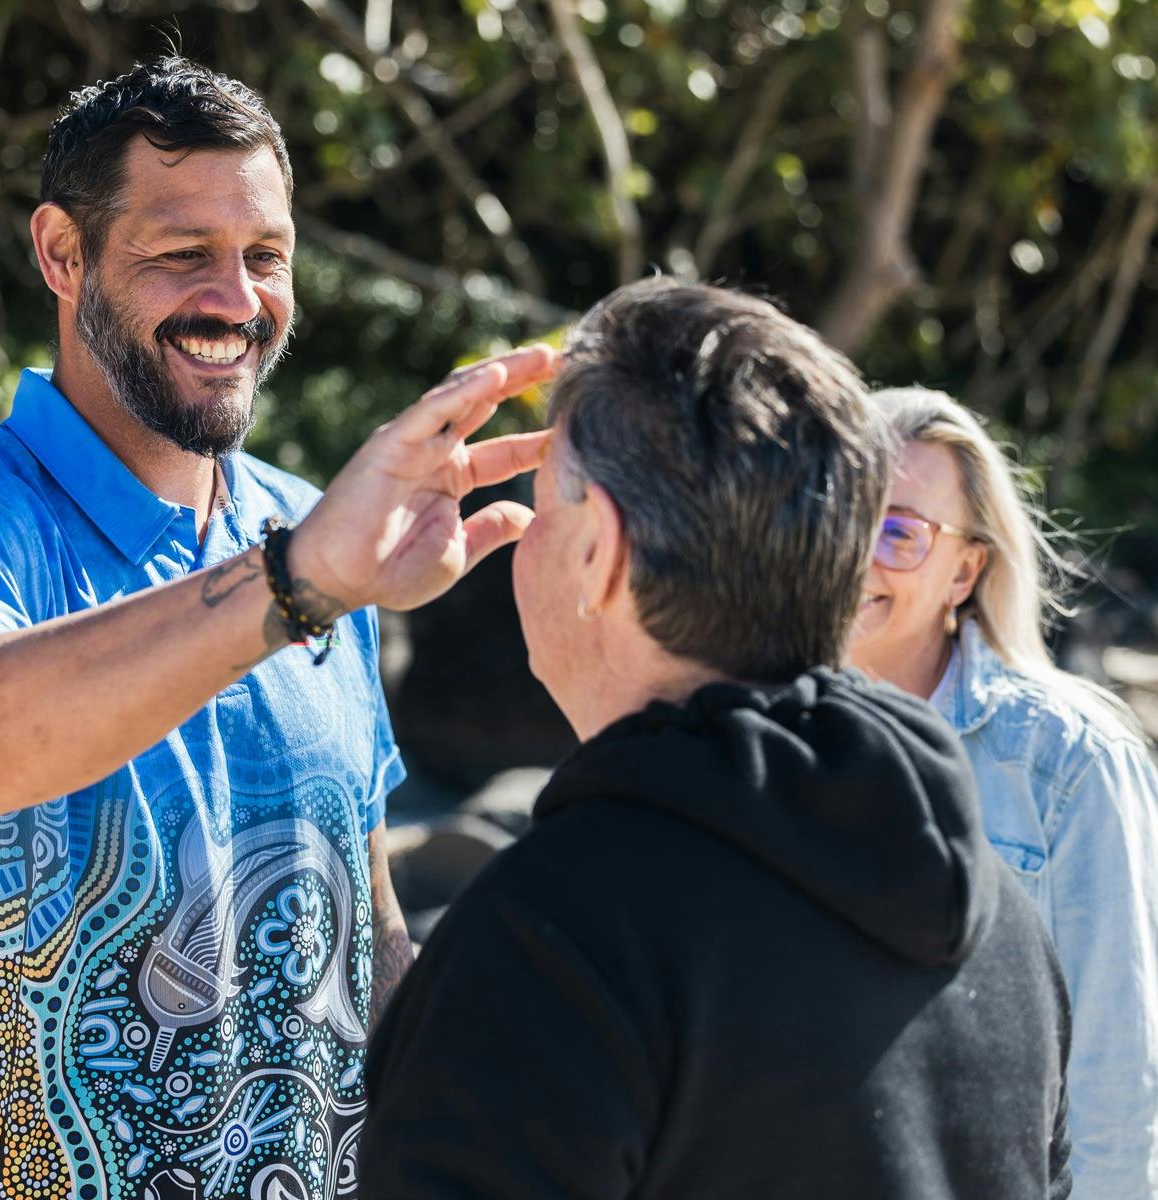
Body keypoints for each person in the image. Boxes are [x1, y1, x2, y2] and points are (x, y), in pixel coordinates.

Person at [0, 57, 555, 1200]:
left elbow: (359, 929)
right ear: (61, 255)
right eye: (183, 254)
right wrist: (295, 584)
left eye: (264, 256)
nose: (237, 298)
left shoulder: (307, 528)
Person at [360, 279, 1073, 1199]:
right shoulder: (1001, 921)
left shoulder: (553, 944)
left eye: (545, 504)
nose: (520, 543)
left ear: (599, 551)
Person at [847, 386, 1158, 1199]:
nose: (858, 555)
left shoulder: (1071, 766)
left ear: (966, 569)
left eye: (898, 531)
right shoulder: (750, 744)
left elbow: (1118, 1094)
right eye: (841, 515)